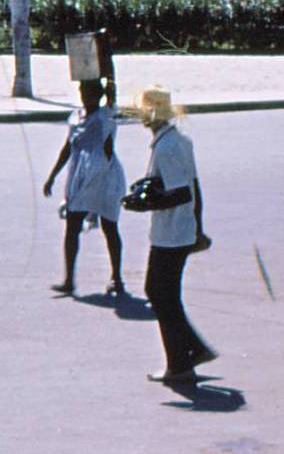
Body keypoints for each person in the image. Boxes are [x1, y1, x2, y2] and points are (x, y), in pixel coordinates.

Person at [126, 86, 216, 384]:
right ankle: (186, 356)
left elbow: (179, 193)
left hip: (172, 232)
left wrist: (146, 203)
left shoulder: (167, 146)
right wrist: (198, 228)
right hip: (180, 229)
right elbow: (194, 188)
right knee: (164, 294)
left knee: (160, 293)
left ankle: (183, 360)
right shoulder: (175, 140)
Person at [42, 77, 127, 296]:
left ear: (97, 96)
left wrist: (107, 74)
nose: (83, 96)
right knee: (72, 226)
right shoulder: (76, 117)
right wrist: (52, 176)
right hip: (80, 176)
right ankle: (69, 279)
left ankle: (116, 278)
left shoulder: (105, 116)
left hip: (104, 176)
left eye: (87, 92)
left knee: (110, 226)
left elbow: (112, 95)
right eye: (81, 92)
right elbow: (67, 148)